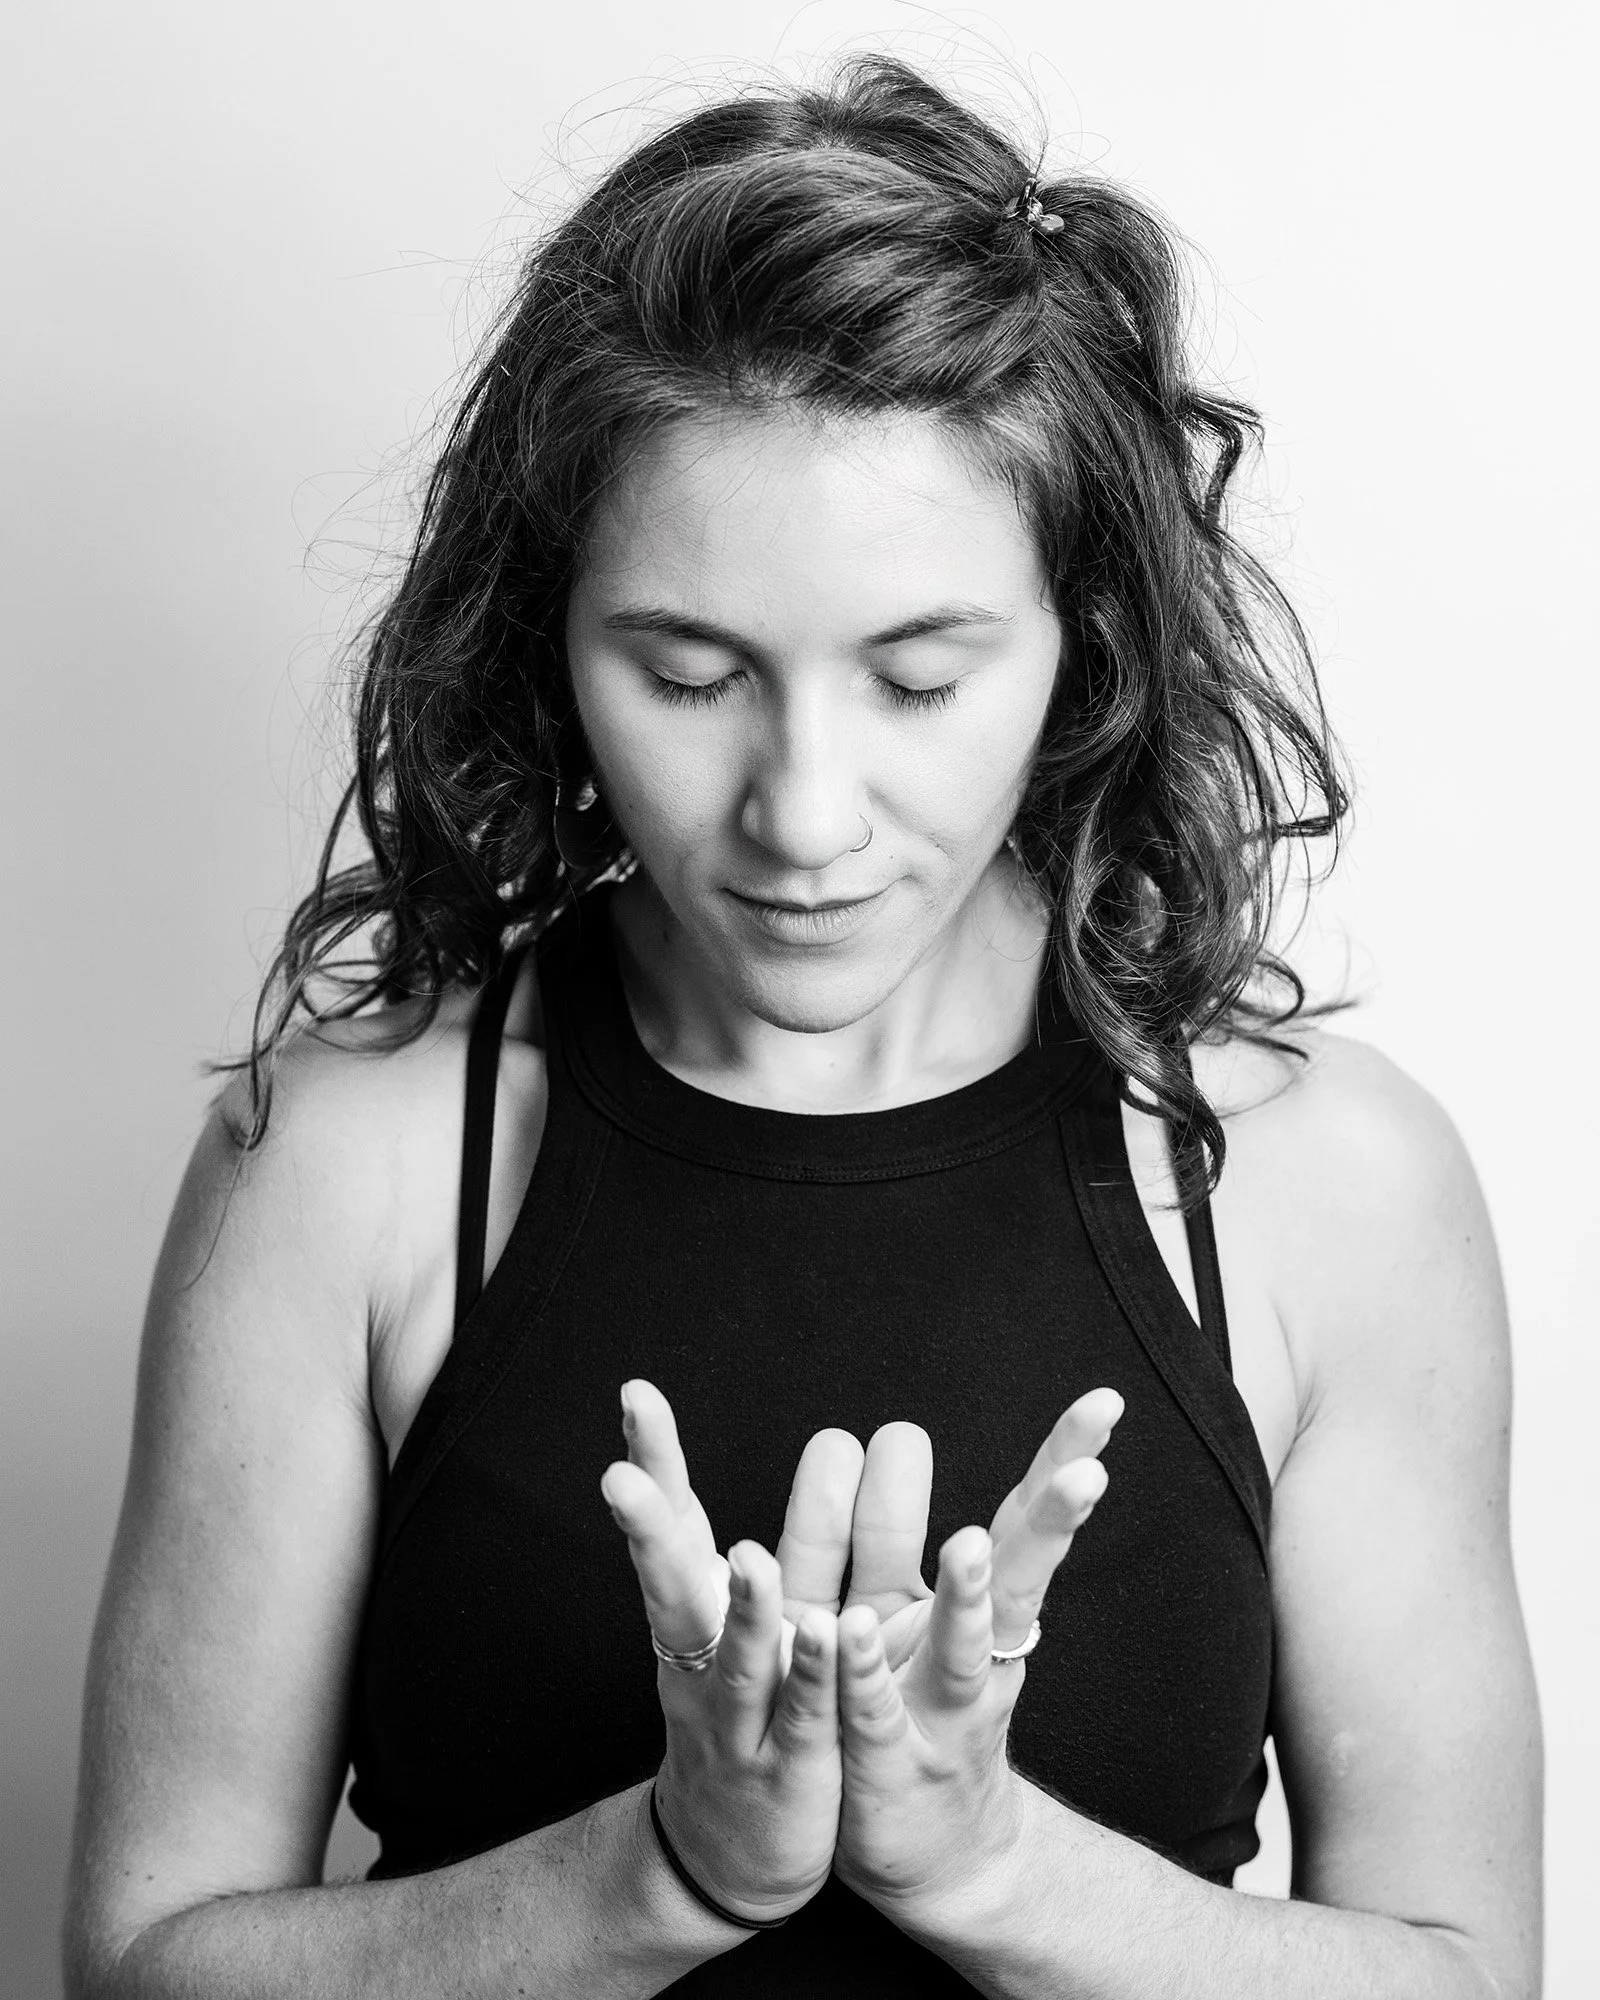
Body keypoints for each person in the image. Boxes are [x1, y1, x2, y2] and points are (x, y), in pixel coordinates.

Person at [65, 55, 1541, 2000]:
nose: (802, 815)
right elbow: (145, 1962)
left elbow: (1460, 1972)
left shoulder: (1319, 1182)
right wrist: (660, 1871)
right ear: (549, 638)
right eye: (688, 674)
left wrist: (990, 1867)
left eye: (917, 679)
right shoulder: (347, 1157)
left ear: (1083, 646)